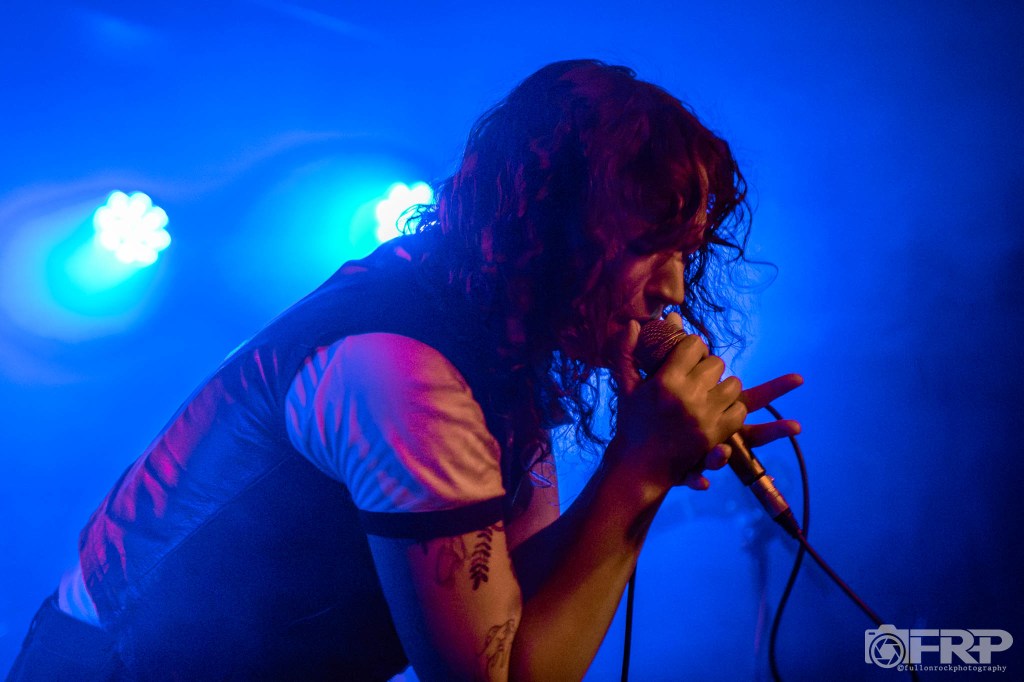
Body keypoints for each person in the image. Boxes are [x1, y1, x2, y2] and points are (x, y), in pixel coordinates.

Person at [6, 59, 801, 681]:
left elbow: (512, 605)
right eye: (646, 249)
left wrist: (643, 464)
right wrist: (638, 470)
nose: (672, 290)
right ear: (558, 232)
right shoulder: (405, 377)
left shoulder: (493, 337)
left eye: (685, 254)